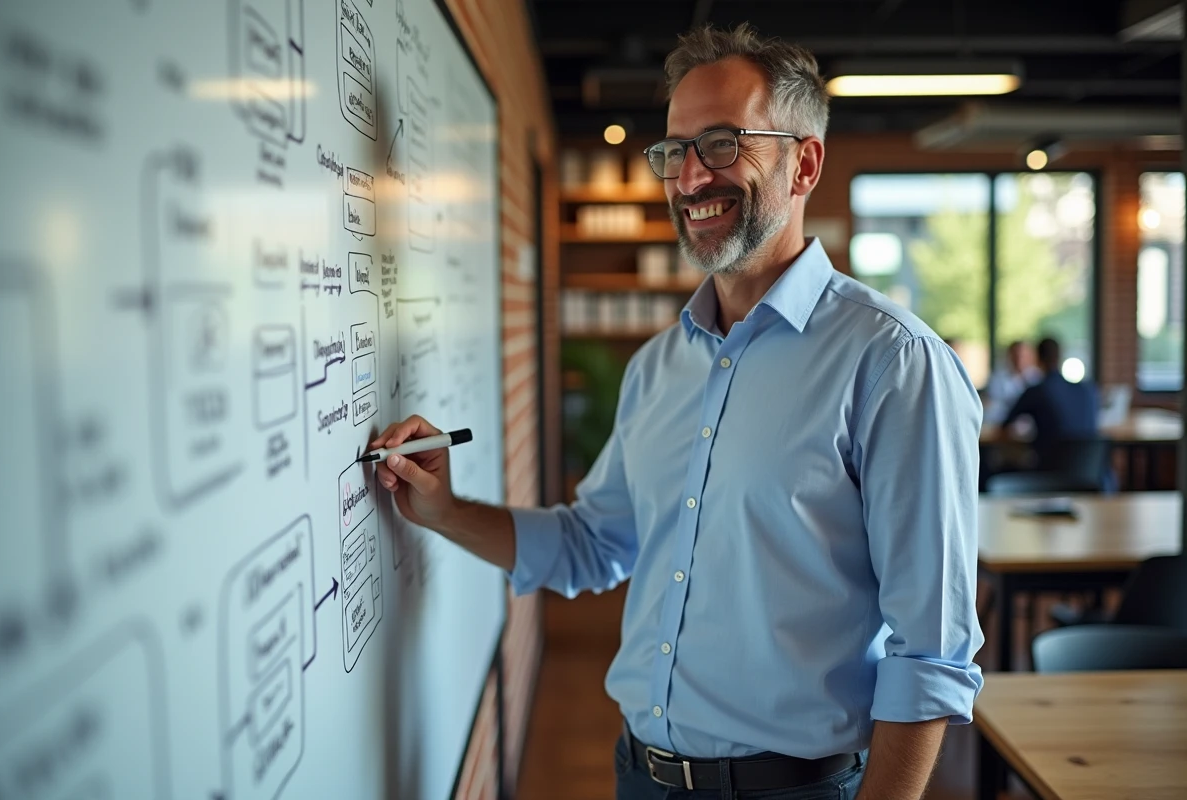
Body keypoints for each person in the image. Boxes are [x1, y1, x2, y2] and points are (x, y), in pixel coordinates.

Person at [370, 23, 983, 800]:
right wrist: (445, 510)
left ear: (804, 163)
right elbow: (592, 545)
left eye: (722, 144)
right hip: (641, 777)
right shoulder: (658, 367)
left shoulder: (892, 362)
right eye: (673, 151)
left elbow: (930, 652)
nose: (690, 177)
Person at [1002, 337, 1100, 469]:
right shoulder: (1089, 391)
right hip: (1089, 472)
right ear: (1060, 357)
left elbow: (1006, 424)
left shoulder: (1037, 391)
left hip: (1049, 473)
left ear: (1037, 359)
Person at [983, 340, 1041, 425]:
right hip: (1002, 422)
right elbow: (993, 405)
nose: (1019, 360)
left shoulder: (1037, 378)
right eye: (1016, 355)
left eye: (1023, 356)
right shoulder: (998, 378)